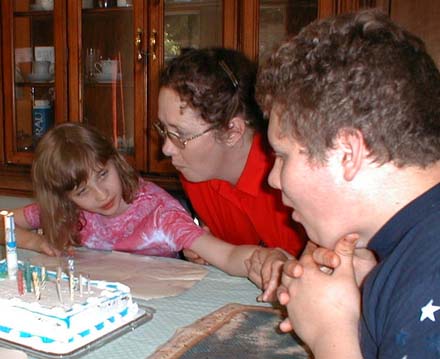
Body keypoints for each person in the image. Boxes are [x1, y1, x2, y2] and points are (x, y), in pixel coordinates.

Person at [256, 9, 440, 359]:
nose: (272, 178)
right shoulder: (414, 247)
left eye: (283, 156)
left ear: (347, 153)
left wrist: (330, 333)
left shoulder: (429, 282)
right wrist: (374, 285)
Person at [12, 123, 288, 283]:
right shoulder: (69, 211)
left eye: (103, 175)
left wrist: (262, 260)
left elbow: (226, 256)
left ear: (115, 161)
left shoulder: (159, 214)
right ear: (65, 198)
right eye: (83, 191)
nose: (101, 195)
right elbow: (4, 221)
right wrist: (36, 243)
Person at [157, 47, 306, 263]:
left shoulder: (290, 178)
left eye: (180, 134)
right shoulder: (196, 174)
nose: (166, 149)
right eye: (164, 130)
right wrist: (209, 249)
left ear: (232, 132)